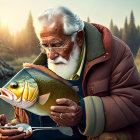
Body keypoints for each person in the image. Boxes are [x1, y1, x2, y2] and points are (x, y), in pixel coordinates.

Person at [0, 6, 140, 140]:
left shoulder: (114, 52)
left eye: (56, 44)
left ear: (79, 38)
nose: (50, 55)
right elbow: (30, 113)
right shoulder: (36, 69)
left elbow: (133, 101)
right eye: (45, 46)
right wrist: (13, 128)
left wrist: (84, 113)